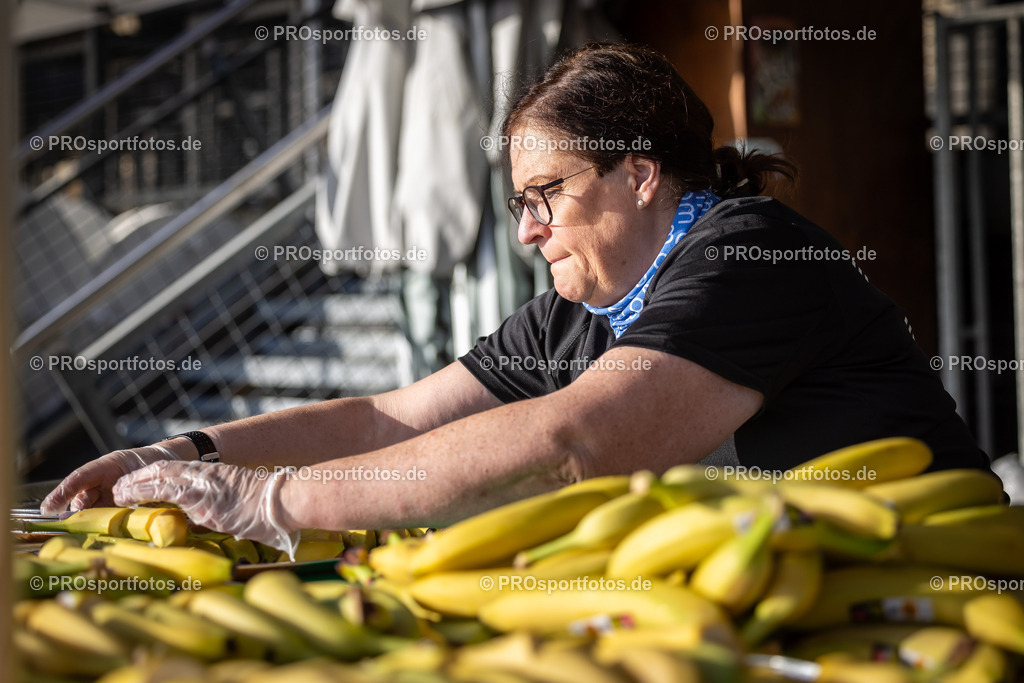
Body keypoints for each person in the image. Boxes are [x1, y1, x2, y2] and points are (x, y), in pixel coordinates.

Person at [40, 43, 989, 556]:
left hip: (937, 584)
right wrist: (180, 452)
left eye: (545, 196)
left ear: (639, 176)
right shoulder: (580, 307)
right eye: (519, 204)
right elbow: (385, 418)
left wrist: (275, 500)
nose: (529, 231)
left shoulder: (746, 255)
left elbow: (575, 440)